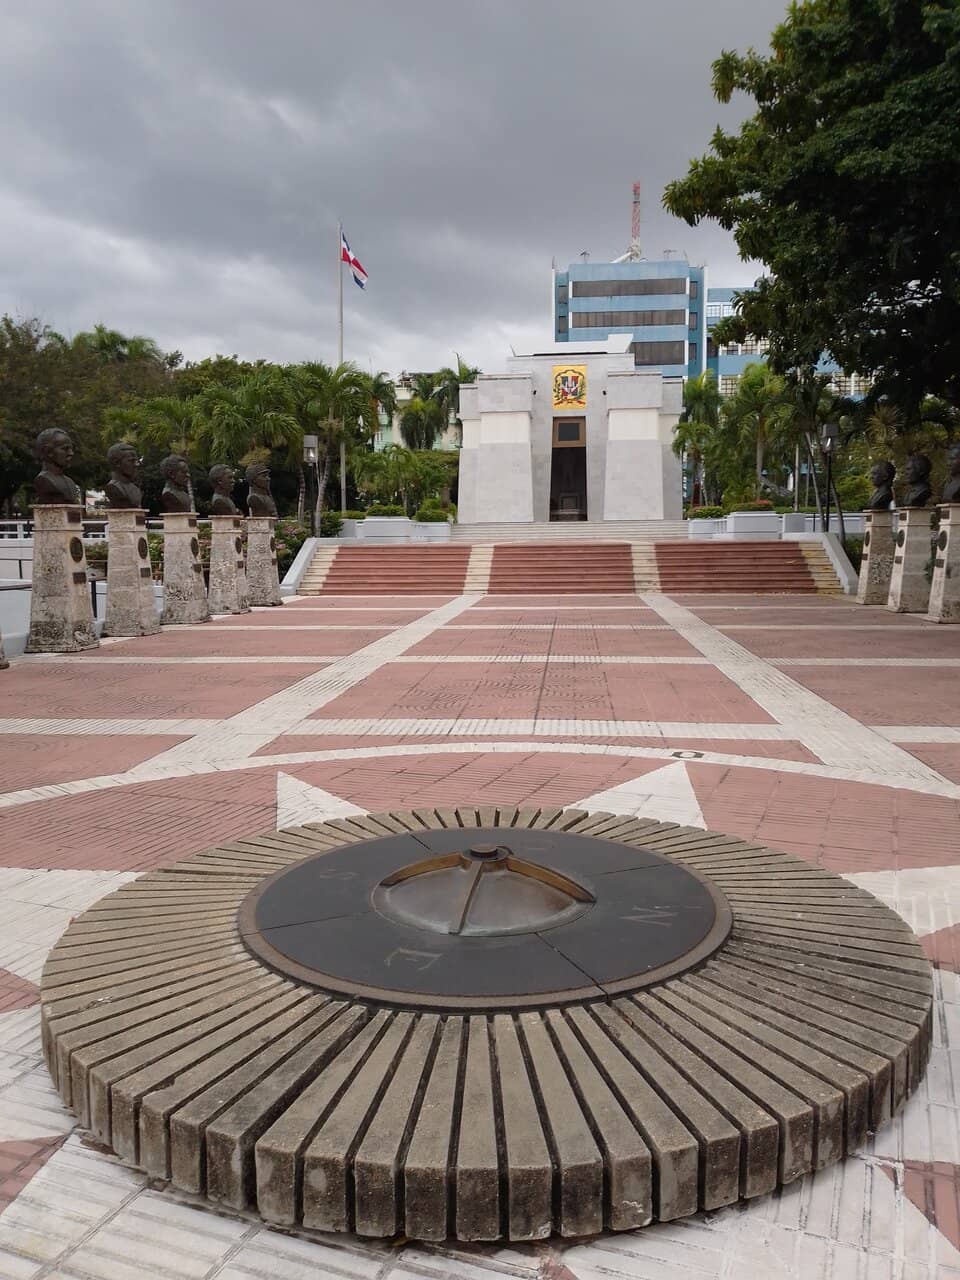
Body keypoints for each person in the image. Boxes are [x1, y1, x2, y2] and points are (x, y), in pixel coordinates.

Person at [34, 429, 81, 504]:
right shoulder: (43, 480)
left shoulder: (70, 482)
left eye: (71, 449)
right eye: (65, 449)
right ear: (48, 451)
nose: (71, 453)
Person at [105, 442, 142, 508]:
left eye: (136, 461)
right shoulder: (113, 487)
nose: (137, 464)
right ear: (117, 463)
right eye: (131, 461)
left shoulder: (135, 489)